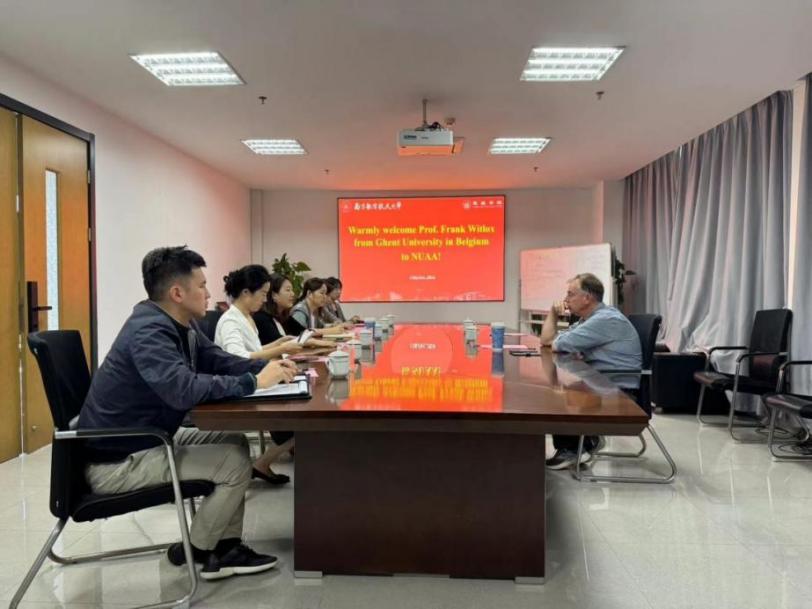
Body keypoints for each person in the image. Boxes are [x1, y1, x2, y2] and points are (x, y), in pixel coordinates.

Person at [78, 246, 298, 580]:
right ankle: (200, 551)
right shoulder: (148, 332)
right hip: (119, 460)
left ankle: (224, 545)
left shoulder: (181, 325)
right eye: (202, 286)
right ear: (177, 293)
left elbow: (219, 360)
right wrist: (253, 382)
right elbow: (181, 389)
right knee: (232, 463)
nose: (209, 294)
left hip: (149, 438)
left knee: (234, 442)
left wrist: (269, 369)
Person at [539, 272, 642, 470]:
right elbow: (549, 342)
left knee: (558, 396)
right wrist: (553, 313)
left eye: (570, 294)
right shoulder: (589, 319)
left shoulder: (604, 319)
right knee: (564, 389)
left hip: (619, 391)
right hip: (603, 382)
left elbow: (551, 342)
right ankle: (587, 440)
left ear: (587, 297)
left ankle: (572, 450)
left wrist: (553, 314)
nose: (566, 299)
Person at [215, 264, 304, 485]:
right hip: (244, 384)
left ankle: (268, 459)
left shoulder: (246, 316)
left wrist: (278, 343)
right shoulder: (230, 321)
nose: (265, 300)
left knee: (302, 395)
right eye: (263, 294)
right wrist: (279, 350)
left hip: (257, 379)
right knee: (301, 417)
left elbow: (255, 349)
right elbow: (238, 357)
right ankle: (263, 463)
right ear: (246, 292)